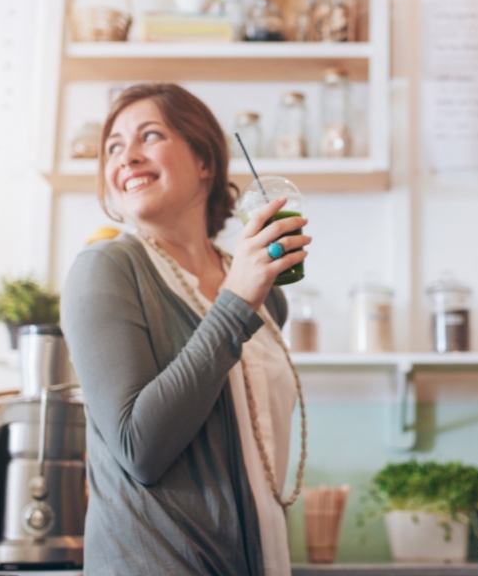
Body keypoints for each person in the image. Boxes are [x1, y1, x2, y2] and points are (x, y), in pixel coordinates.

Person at [61, 83, 311, 576]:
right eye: (113, 147)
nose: (126, 156)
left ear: (205, 162)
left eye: (148, 136)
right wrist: (235, 301)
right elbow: (140, 449)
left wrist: (245, 291)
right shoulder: (106, 267)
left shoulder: (265, 289)